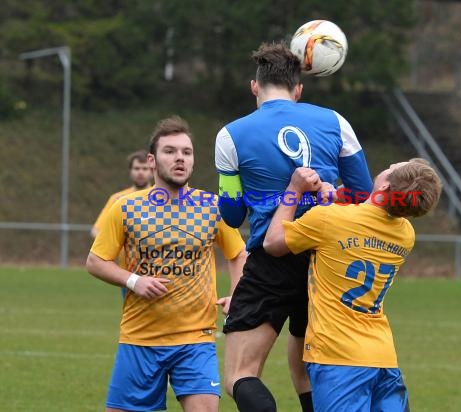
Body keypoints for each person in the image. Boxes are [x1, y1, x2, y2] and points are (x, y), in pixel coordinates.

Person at [215, 41, 373, 412]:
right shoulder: (336, 122)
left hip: (273, 255)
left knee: (240, 374)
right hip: (327, 258)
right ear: (298, 90)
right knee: (306, 372)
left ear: (255, 86)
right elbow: (363, 194)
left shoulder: (230, 135)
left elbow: (233, 215)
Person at [86, 115, 247, 412]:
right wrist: (134, 281)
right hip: (140, 340)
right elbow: (96, 261)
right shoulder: (125, 207)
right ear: (152, 160)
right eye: (170, 151)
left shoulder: (213, 207)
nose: (179, 158)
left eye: (186, 152)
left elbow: (238, 254)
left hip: (195, 340)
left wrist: (236, 295)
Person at [263, 159, 442, 412]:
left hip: (337, 357)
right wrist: (336, 197)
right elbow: (361, 220)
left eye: (391, 169)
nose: (387, 165)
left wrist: (294, 189)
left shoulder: (329, 219)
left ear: (385, 187)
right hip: (383, 357)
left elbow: (273, 243)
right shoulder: (405, 234)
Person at [91, 149, 152, 238]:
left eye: (145, 168)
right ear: (130, 171)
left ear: (153, 172)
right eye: (136, 168)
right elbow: (96, 230)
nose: (140, 172)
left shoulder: (160, 198)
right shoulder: (118, 198)